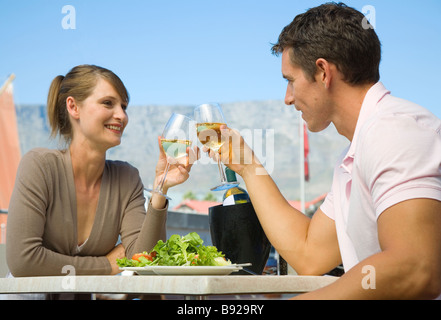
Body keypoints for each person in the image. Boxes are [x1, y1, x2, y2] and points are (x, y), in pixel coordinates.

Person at [214, 3, 441, 299]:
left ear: (322, 72)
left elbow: (416, 268)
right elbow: (309, 253)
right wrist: (247, 165)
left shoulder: (396, 131)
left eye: (290, 81)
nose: (288, 98)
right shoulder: (357, 151)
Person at [6, 65, 194, 284]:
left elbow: (145, 262)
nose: (121, 115)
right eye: (108, 103)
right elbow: (23, 262)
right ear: (73, 107)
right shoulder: (40, 166)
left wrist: (161, 188)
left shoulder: (127, 178)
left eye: (124, 107)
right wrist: (108, 264)